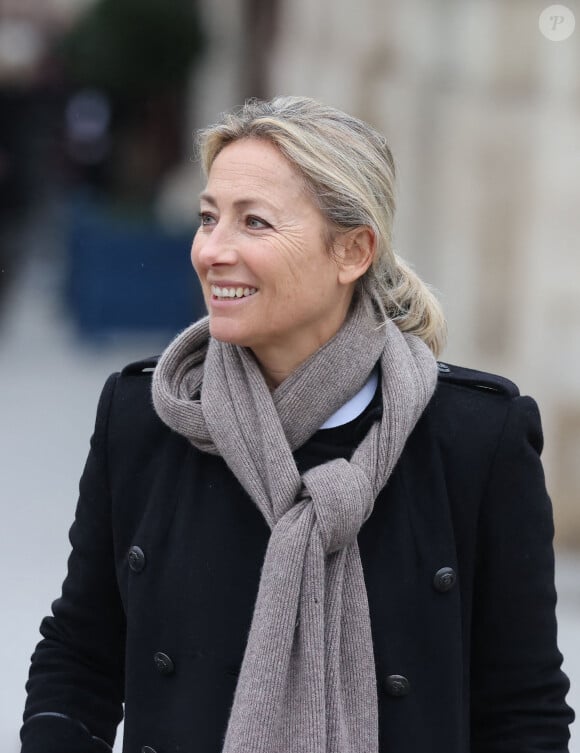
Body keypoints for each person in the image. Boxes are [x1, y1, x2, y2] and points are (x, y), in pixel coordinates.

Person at [21, 96, 574, 753]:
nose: (211, 251)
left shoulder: (475, 439)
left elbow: (523, 709)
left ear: (352, 251)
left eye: (254, 222)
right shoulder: (145, 416)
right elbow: (80, 653)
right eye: (207, 217)